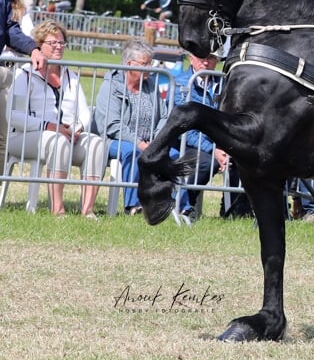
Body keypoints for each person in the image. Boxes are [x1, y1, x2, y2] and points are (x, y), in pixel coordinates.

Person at [7, 20, 107, 217]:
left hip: (67, 135)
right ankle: (58, 209)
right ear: (39, 45)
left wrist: (77, 129)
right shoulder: (24, 75)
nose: (58, 47)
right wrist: (50, 126)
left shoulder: (71, 76)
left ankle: (88, 210)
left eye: (61, 43)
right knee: (58, 141)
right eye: (53, 43)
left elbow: (85, 113)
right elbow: (13, 116)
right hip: (25, 137)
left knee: (96, 143)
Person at [93, 38, 170, 215]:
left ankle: (179, 208)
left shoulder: (151, 86)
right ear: (129, 64)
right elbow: (112, 125)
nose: (149, 68)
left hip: (149, 142)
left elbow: (164, 116)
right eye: (145, 64)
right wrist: (139, 143)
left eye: (150, 63)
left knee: (173, 154)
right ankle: (134, 206)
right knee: (132, 152)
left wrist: (156, 141)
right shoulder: (112, 85)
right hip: (113, 141)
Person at [171, 51, 237, 221]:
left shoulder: (226, 84)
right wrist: (213, 149)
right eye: (202, 58)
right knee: (207, 162)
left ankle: (235, 212)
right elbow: (184, 128)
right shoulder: (181, 85)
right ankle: (182, 204)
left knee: (241, 157)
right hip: (187, 143)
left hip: (219, 142)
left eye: (211, 58)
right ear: (190, 58)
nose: (206, 63)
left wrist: (225, 147)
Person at [0, 0, 47, 162]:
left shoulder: (8, 4)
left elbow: (12, 30)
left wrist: (34, 50)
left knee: (2, 139)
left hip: (8, 74)